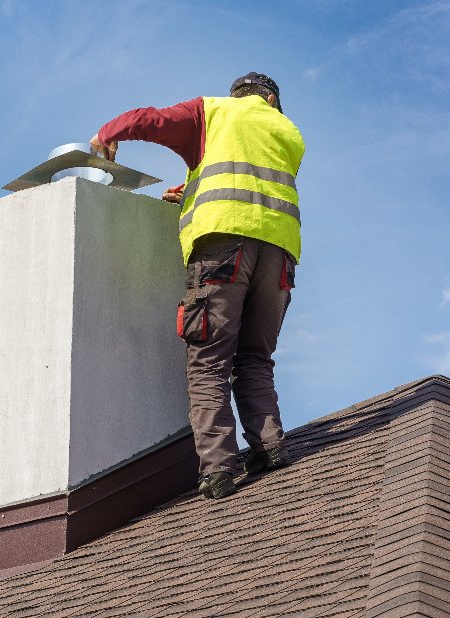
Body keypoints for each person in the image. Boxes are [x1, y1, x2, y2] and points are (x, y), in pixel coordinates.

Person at [90, 73, 305, 500]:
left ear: (239, 95)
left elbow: (147, 119)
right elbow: (249, 184)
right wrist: (191, 191)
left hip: (223, 249)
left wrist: (105, 133)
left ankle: (220, 469)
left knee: (208, 360)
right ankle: (270, 447)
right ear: (271, 99)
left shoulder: (213, 111)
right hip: (279, 254)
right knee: (256, 357)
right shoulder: (288, 131)